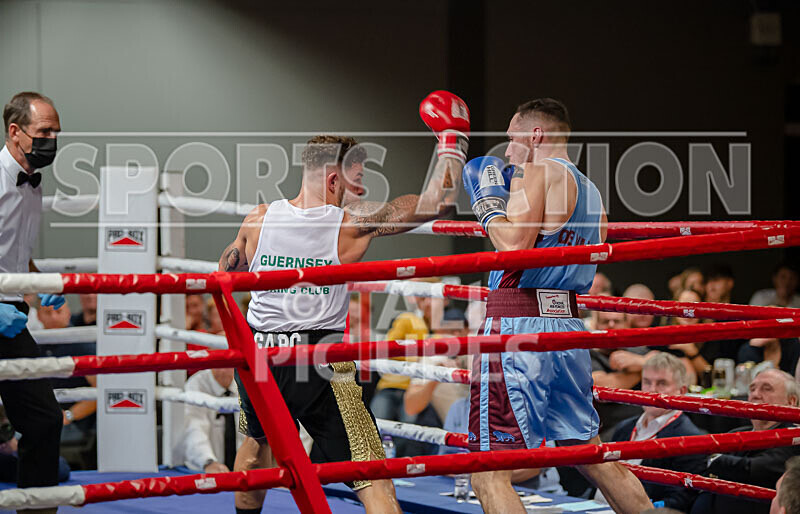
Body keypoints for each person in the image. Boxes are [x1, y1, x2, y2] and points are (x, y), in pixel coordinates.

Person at [219, 90, 468, 514]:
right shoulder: (347, 224)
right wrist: (452, 143)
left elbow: (224, 278)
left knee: (255, 449)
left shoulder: (257, 219)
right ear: (333, 179)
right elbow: (434, 204)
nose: (362, 188)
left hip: (260, 355)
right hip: (318, 360)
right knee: (370, 470)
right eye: (357, 179)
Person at [461, 98, 652, 513]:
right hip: (566, 326)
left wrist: (487, 203)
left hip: (518, 328)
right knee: (591, 456)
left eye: (512, 139)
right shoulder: (592, 190)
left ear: (536, 135)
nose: (508, 151)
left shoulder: (539, 172)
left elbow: (513, 246)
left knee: (488, 470)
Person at [0, 91, 65, 508]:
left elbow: (15, 253)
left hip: (10, 316)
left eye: (57, 132)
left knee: (43, 418)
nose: (52, 140)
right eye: (44, 131)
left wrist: (38, 285)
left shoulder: (31, 186)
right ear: (15, 132)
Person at [689, 369, 800, 514]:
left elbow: (755, 469)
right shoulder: (736, 433)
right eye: (752, 389)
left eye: (767, 389)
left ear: (791, 401)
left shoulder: (793, 436)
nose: (755, 394)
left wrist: (712, 459)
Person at [606, 353, 706, 511]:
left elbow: (680, 501)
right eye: (647, 382)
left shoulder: (690, 439)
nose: (652, 390)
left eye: (662, 383)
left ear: (681, 391)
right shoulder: (624, 427)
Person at [177, 368, 241, 473]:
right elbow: (194, 427)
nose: (224, 368)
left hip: (244, 468)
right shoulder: (197, 383)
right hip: (204, 468)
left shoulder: (247, 380)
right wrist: (208, 462)